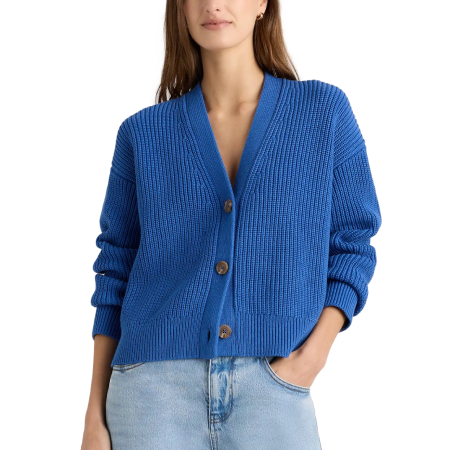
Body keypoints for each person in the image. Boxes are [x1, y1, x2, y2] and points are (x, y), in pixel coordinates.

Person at [81, 1, 382, 449]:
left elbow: (353, 242)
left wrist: (311, 358)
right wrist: (94, 412)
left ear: (263, 4)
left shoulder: (323, 112)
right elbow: (114, 270)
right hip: (151, 394)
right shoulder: (141, 134)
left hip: (274, 388)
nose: (213, 4)